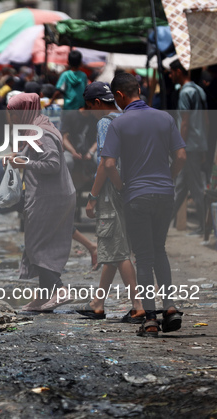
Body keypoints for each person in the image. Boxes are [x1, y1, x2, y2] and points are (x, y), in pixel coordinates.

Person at [101, 72, 187, 337]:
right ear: (139, 89)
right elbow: (181, 156)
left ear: (118, 96)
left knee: (144, 258)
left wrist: (120, 186)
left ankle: (150, 318)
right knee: (159, 250)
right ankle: (170, 307)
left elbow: (109, 164)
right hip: (165, 195)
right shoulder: (165, 118)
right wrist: (168, 180)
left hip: (136, 196)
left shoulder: (118, 124)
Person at [79, 82, 144, 322]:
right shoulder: (127, 117)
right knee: (114, 243)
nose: (91, 112)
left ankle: (137, 305)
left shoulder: (105, 122)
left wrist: (93, 197)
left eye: (90, 107)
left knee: (117, 249)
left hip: (111, 190)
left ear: (97, 103)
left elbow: (106, 163)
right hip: (130, 186)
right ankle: (98, 301)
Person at [6, 93, 76, 312]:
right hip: (53, 194)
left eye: (14, 112)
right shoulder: (38, 126)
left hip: (49, 196)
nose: (11, 117)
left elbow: (52, 164)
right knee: (43, 244)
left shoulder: (40, 133)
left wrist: (22, 163)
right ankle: (43, 298)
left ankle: (59, 289)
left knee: (35, 246)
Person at [169, 60, 208, 236]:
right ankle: (163, 224)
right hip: (198, 144)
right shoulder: (199, 90)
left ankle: (205, 226)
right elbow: (205, 120)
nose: (170, 76)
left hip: (189, 146)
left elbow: (184, 122)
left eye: (171, 72)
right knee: (180, 187)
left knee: (196, 187)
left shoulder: (186, 93)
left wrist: (180, 147)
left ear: (178, 71)